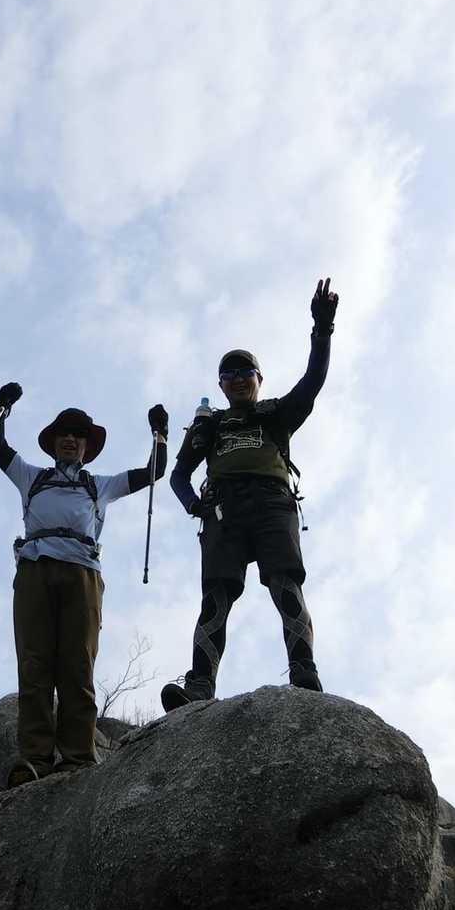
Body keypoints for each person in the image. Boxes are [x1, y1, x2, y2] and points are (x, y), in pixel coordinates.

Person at [160, 278, 338, 712]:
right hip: (223, 509)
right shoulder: (208, 426)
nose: (238, 379)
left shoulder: (276, 413)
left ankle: (304, 672)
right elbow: (178, 476)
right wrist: (193, 504)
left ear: (259, 379)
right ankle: (200, 685)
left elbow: (312, 382)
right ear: (221, 385)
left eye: (245, 372)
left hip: (272, 503)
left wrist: (322, 330)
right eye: (229, 374)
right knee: (216, 595)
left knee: (285, 584)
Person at [0, 385, 168, 786]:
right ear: (53, 443)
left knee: (78, 664)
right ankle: (35, 758)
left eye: (78, 435)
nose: (70, 439)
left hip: (82, 572)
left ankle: (77, 758)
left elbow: (153, 473)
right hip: (35, 569)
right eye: (63, 433)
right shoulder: (31, 477)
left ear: (86, 447)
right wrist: (1, 408)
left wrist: (161, 436)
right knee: (34, 663)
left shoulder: (99, 485)